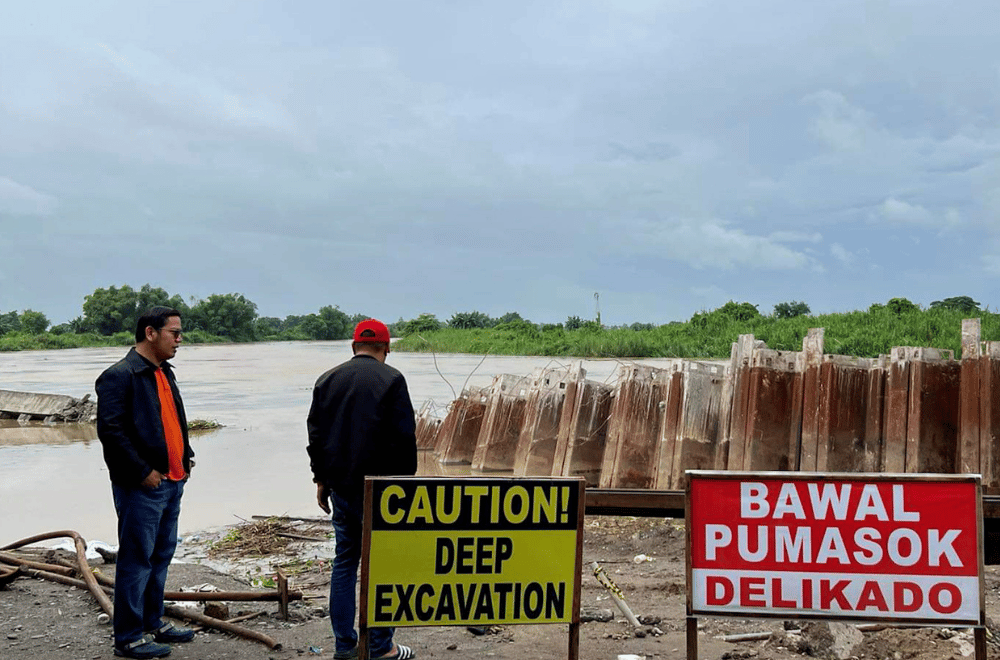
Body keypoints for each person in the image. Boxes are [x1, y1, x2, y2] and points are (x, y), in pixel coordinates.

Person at [307, 319, 418, 660]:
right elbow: (404, 441)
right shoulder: (392, 379)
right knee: (384, 566)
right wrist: (407, 488)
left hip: (342, 489)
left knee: (345, 562)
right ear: (386, 348)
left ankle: (345, 646)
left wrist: (321, 479)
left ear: (354, 346)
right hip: (384, 492)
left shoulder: (327, 379)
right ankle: (380, 648)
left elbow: (316, 437)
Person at [96, 307, 195, 659]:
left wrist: (186, 457)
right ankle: (128, 637)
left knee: (161, 555)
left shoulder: (163, 372)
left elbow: (174, 421)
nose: (180, 339)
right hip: (142, 486)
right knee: (137, 560)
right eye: (174, 333)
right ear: (150, 333)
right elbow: (111, 433)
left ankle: (153, 622)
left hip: (172, 481)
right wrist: (142, 471)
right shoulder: (119, 376)